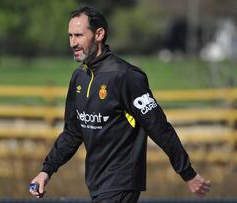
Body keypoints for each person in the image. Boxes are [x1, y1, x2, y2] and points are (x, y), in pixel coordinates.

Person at [29, 6, 211, 202]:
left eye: (79, 35)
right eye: (70, 36)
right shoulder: (79, 78)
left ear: (99, 34)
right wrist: (46, 171)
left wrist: (187, 173)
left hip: (122, 182)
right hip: (96, 183)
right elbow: (73, 133)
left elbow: (159, 127)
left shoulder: (125, 77)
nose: (73, 43)